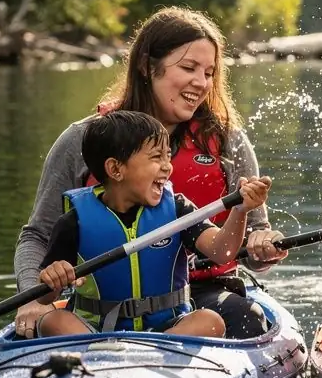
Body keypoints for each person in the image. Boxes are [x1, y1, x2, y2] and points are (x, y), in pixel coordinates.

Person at [14, 7, 286, 339]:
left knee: (245, 320)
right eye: (188, 68)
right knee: (49, 327)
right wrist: (30, 297)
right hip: (101, 302)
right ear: (146, 66)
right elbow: (38, 237)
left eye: (210, 72)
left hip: (196, 297)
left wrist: (263, 245)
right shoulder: (83, 141)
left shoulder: (228, 141)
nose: (201, 83)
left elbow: (253, 241)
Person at [36, 110, 273, 339]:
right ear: (116, 169)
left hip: (165, 329)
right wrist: (52, 277)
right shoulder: (74, 221)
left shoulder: (178, 209)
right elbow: (46, 297)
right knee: (53, 321)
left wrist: (240, 211)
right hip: (96, 330)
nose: (167, 166)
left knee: (210, 322)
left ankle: (148, 350)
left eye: (168, 156)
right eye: (156, 157)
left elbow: (223, 252)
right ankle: (105, 351)